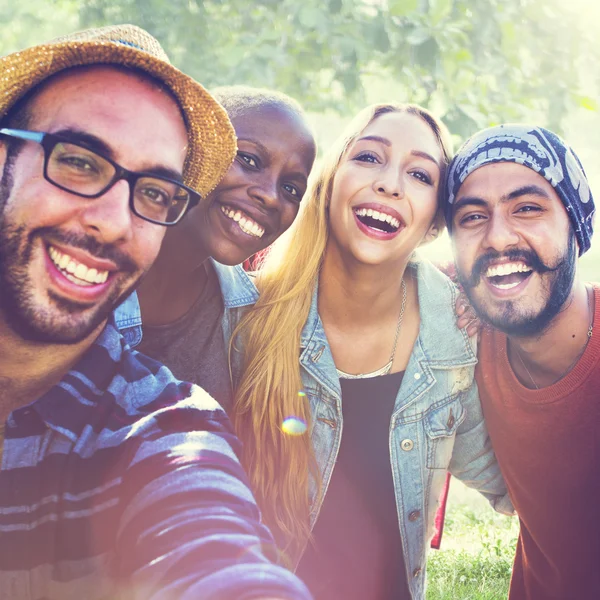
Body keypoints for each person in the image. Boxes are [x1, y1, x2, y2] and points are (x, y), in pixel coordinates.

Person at [0, 25, 312, 600]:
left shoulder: (156, 417)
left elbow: (205, 530)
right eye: (80, 162)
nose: (113, 220)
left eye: (152, 191)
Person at [230, 104, 512, 600]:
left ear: (433, 224)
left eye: (420, 174)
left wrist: (513, 324)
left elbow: (514, 482)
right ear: (330, 183)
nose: (390, 184)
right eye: (369, 157)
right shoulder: (243, 317)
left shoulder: (457, 334)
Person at [445, 124, 599, 599]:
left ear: (575, 228)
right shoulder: (464, 333)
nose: (497, 237)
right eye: (472, 217)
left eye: (527, 208)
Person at [115, 85, 316, 413]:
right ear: (191, 148)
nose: (270, 196)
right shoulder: (90, 267)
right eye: (249, 160)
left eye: (291, 188)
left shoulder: (248, 317)